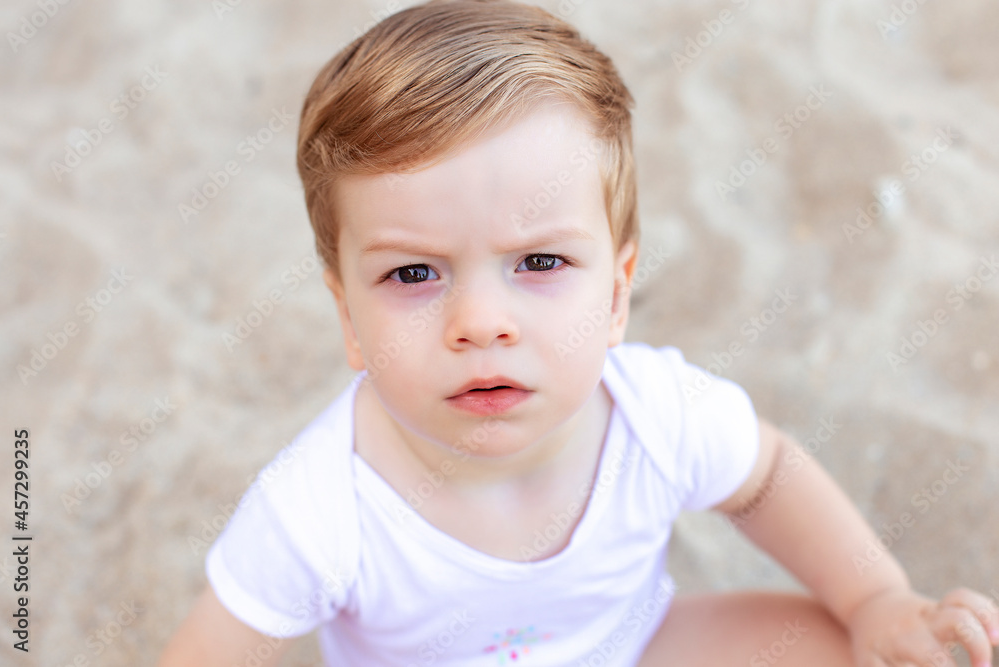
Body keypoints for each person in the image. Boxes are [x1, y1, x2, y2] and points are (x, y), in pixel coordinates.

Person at [157, 1, 999, 665]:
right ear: (348, 316)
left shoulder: (655, 414)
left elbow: (766, 478)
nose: (481, 322)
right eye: (413, 274)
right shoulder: (317, 510)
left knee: (844, 648)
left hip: (632, 646)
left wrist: (875, 598)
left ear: (618, 293)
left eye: (539, 262)